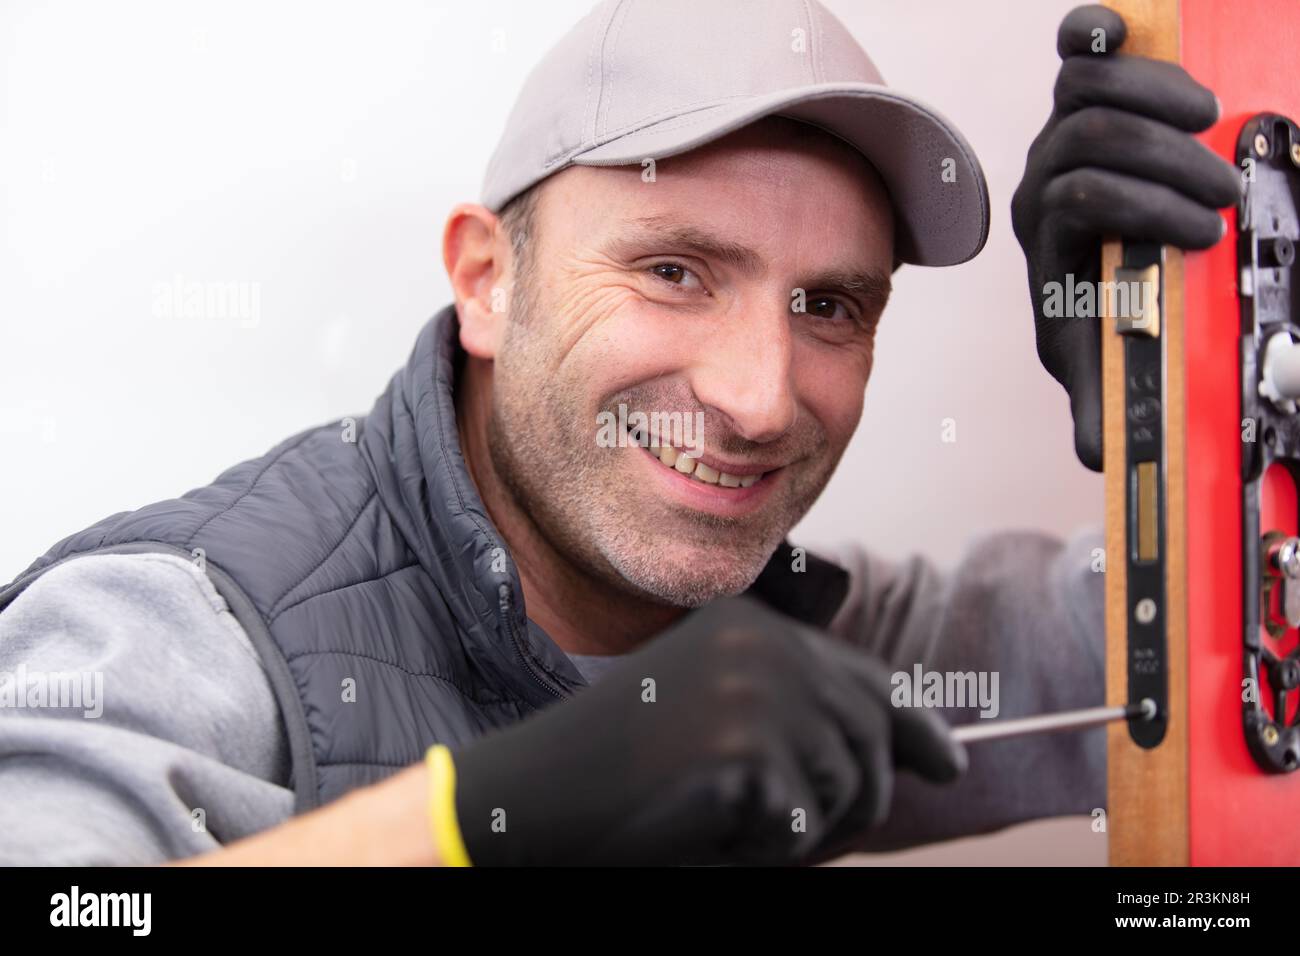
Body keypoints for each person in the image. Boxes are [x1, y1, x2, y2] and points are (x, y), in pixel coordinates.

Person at [0, 1, 1239, 865]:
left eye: (829, 305)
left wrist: (1182, 405)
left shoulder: (784, 646)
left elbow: (1217, 675)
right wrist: (495, 816)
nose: (759, 399)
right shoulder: (180, 630)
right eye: (675, 271)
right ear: (488, 281)